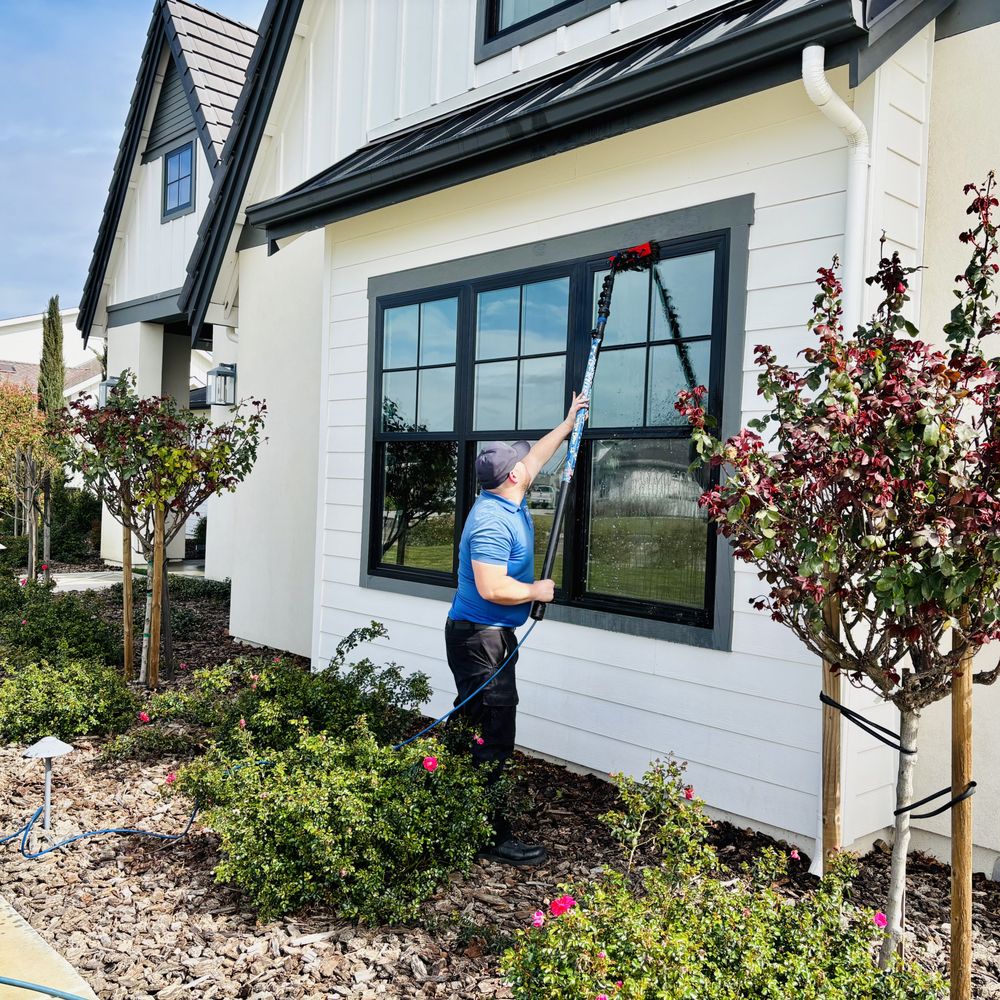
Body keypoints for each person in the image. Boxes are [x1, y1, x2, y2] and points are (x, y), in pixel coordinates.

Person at [445, 393, 589, 866]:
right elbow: (491, 586)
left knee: (474, 722)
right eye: (521, 461)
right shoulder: (490, 521)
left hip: (489, 635)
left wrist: (568, 423)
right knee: (493, 730)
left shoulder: (506, 492)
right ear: (513, 475)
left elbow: (540, 454)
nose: (530, 462)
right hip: (479, 636)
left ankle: (446, 801)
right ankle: (485, 832)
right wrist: (537, 591)